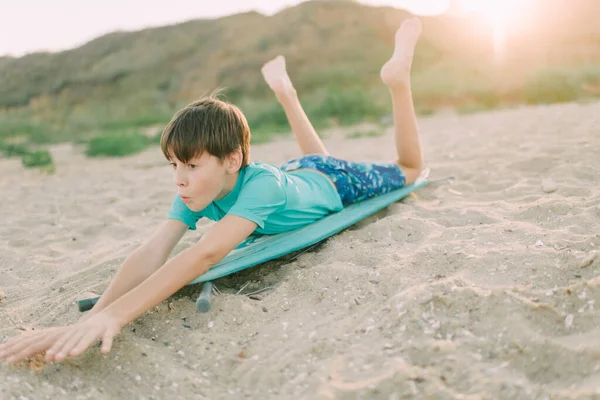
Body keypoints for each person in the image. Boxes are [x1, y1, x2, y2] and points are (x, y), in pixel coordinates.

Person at [0, 17, 424, 364]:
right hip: (303, 172)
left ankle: (398, 79)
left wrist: (117, 316)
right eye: (174, 165)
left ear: (231, 161)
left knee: (409, 167)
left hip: (335, 182)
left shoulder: (262, 188)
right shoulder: (195, 189)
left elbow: (204, 252)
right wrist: (94, 316)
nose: (179, 177)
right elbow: (154, 250)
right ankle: (287, 93)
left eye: (191, 164)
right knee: (315, 157)